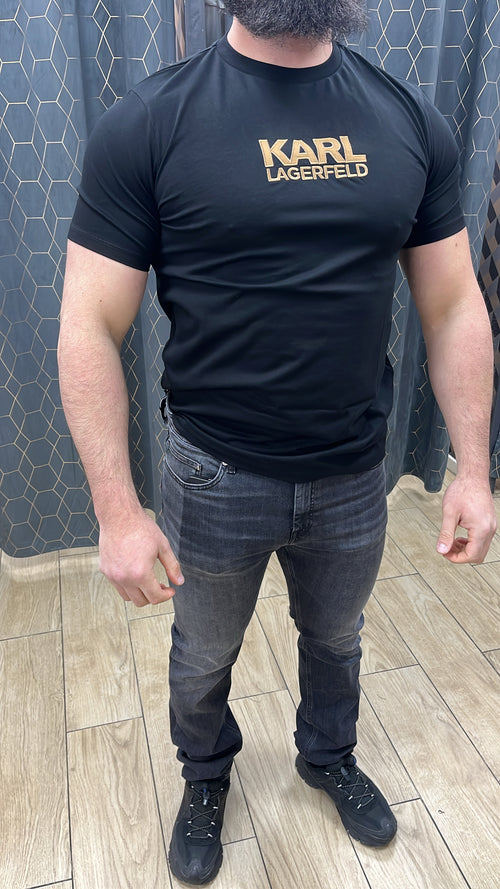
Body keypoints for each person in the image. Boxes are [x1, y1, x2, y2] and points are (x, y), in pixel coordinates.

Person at [58, 0, 497, 884]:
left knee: (337, 636)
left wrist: (474, 469)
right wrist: (117, 511)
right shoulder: (149, 123)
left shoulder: (410, 122)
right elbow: (87, 325)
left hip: (354, 473)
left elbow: (454, 305)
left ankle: (327, 754)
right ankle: (205, 772)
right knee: (203, 651)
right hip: (215, 474)